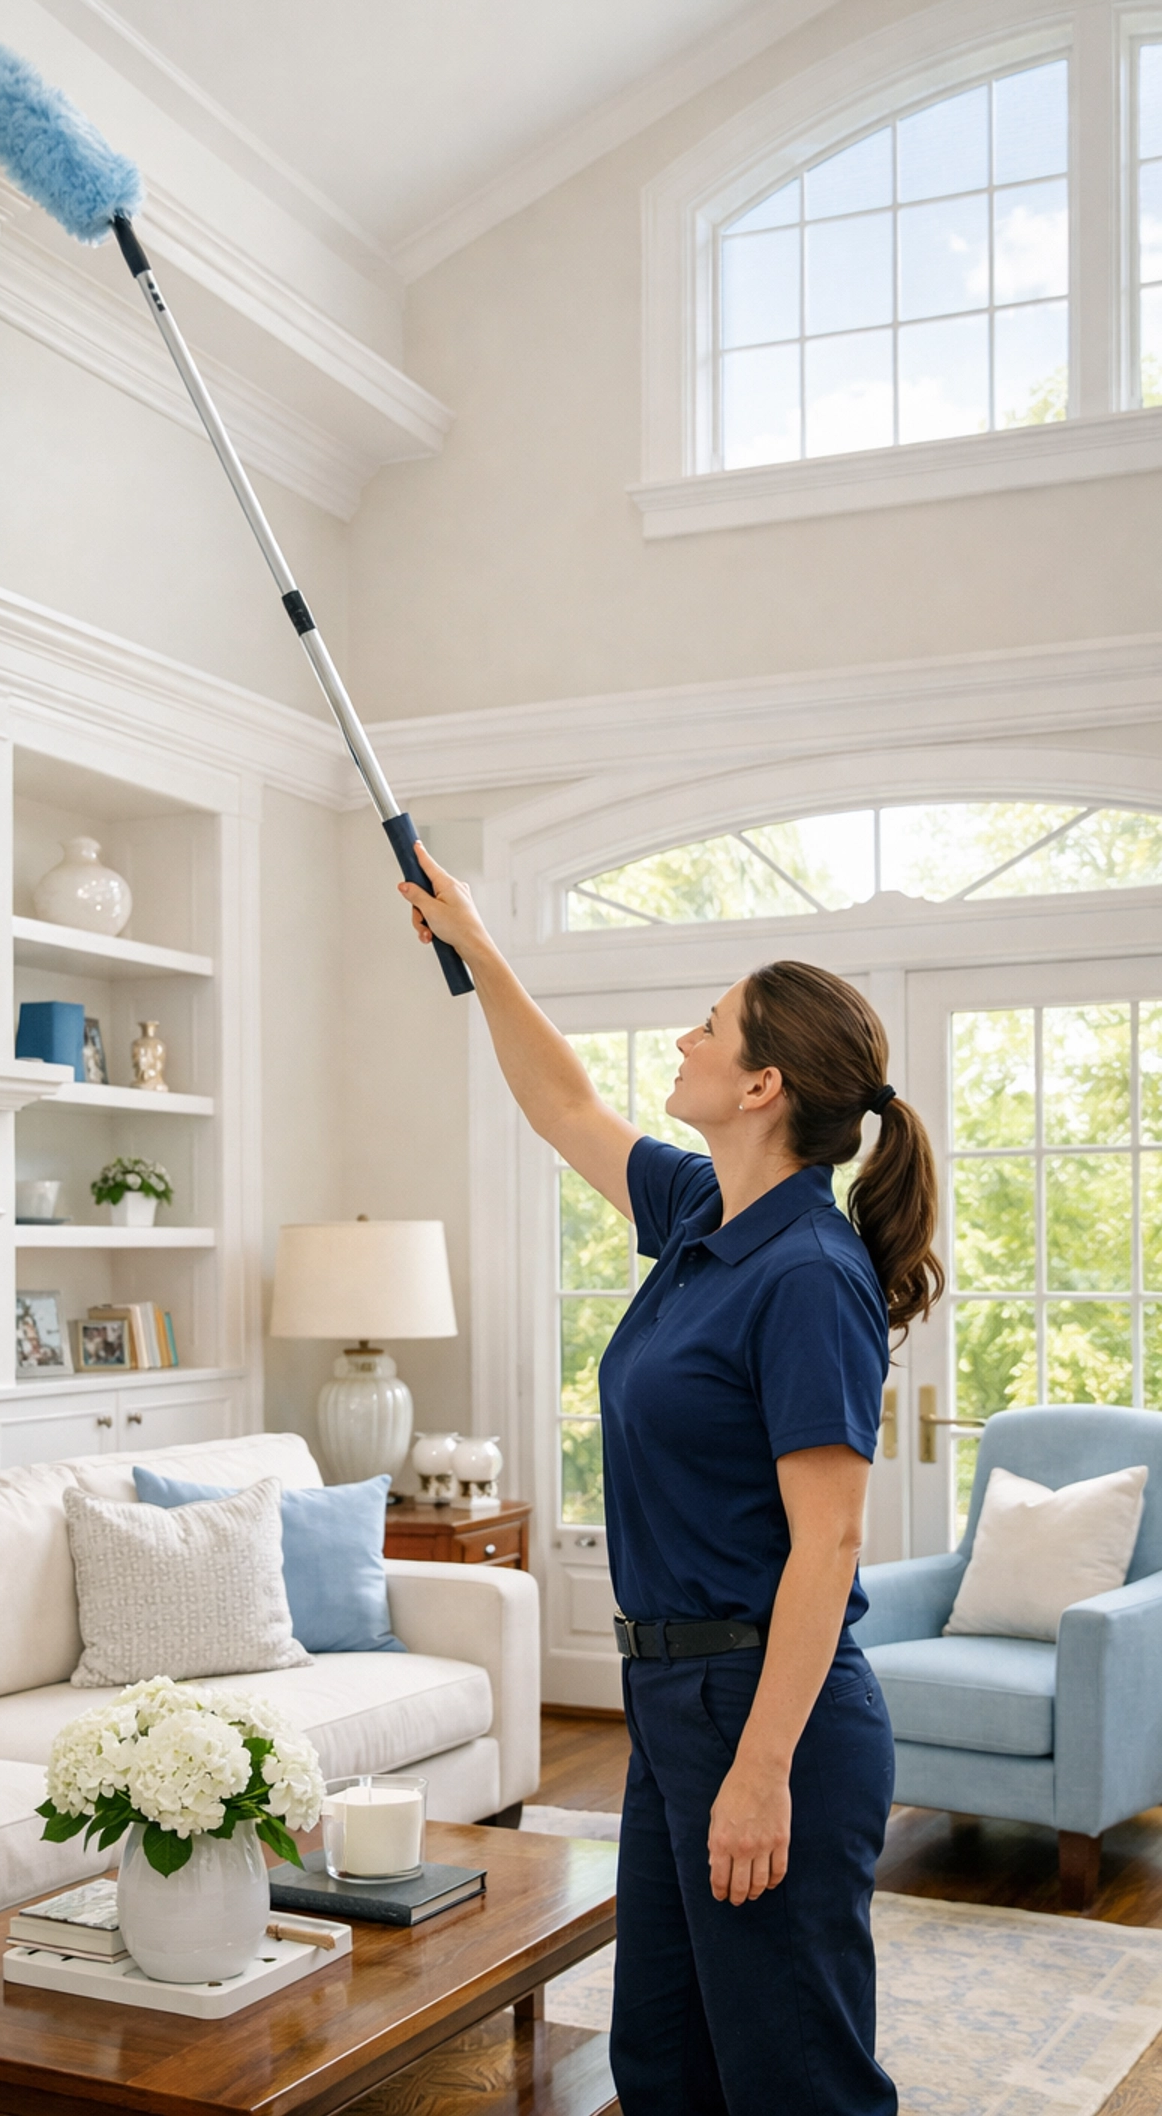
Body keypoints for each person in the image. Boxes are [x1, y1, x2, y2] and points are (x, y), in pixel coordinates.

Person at [397, 843, 943, 2116]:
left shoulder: (808, 1274)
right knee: (662, 2062)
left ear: (762, 1085)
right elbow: (564, 1107)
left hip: (766, 1709)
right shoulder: (706, 1211)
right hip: (670, 1700)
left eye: (709, 1026)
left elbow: (831, 1544)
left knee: (793, 2081)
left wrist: (762, 1770)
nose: (685, 1041)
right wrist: (478, 948)